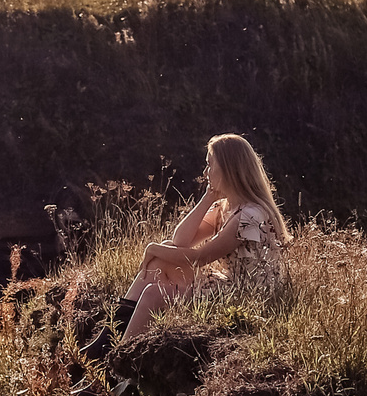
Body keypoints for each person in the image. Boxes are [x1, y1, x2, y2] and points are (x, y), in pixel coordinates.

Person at [119, 133, 293, 341]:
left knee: (153, 293)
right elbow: (181, 241)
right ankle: (110, 337)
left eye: (210, 165)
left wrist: (152, 248)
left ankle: (117, 357)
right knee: (163, 254)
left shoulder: (249, 216)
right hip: (232, 285)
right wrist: (208, 197)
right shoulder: (227, 207)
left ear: (229, 169)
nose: (205, 172)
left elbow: (200, 258)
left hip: (250, 297)